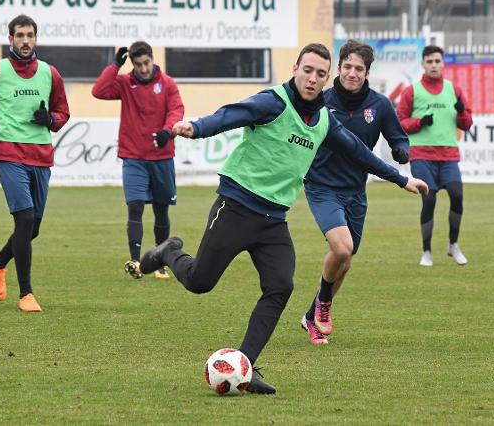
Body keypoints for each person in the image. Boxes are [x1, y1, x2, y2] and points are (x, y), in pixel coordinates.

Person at [137, 43, 429, 394]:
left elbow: (358, 152)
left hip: (273, 220)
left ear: (327, 78)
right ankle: (169, 250)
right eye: (308, 70)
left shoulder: (323, 120)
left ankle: (245, 366)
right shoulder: (272, 102)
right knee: (200, 282)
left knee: (280, 286)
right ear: (295, 68)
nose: (313, 78)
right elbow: (230, 115)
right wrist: (196, 127)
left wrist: (402, 178)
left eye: (321, 74)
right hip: (236, 208)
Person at [300, 39, 411, 345]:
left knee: (345, 260)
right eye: (347, 66)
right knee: (342, 248)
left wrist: (401, 150)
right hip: (322, 187)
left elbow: (397, 138)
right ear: (338, 68)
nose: (351, 73)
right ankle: (323, 305)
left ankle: (312, 317)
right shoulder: (321, 101)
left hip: (355, 192)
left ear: (367, 73)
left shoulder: (380, 105)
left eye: (358, 68)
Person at [0, 14, 70, 312]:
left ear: (36, 38)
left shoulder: (50, 73)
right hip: (8, 154)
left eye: (29, 35)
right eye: (19, 35)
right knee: (23, 219)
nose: (25, 41)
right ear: (10, 39)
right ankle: (26, 294)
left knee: (32, 228)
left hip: (41, 155)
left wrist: (50, 119)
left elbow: (62, 113)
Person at [92, 41, 184, 280]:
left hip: (161, 157)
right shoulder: (124, 83)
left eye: (146, 63)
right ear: (132, 63)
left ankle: (160, 262)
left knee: (161, 210)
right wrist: (114, 65)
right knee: (135, 206)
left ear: (153, 59)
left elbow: (177, 110)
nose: (143, 69)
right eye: (138, 64)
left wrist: (168, 130)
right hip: (133, 156)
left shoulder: (168, 84)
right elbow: (99, 91)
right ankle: (135, 260)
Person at [396, 45, 473, 267]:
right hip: (422, 155)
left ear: (443, 64)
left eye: (437, 61)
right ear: (423, 64)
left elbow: (467, 124)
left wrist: (461, 111)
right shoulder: (412, 91)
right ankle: (427, 251)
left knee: (457, 195)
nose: (433, 65)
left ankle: (453, 245)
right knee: (429, 199)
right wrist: (419, 122)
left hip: (448, 156)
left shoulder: (454, 90)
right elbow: (399, 122)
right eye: (429, 62)